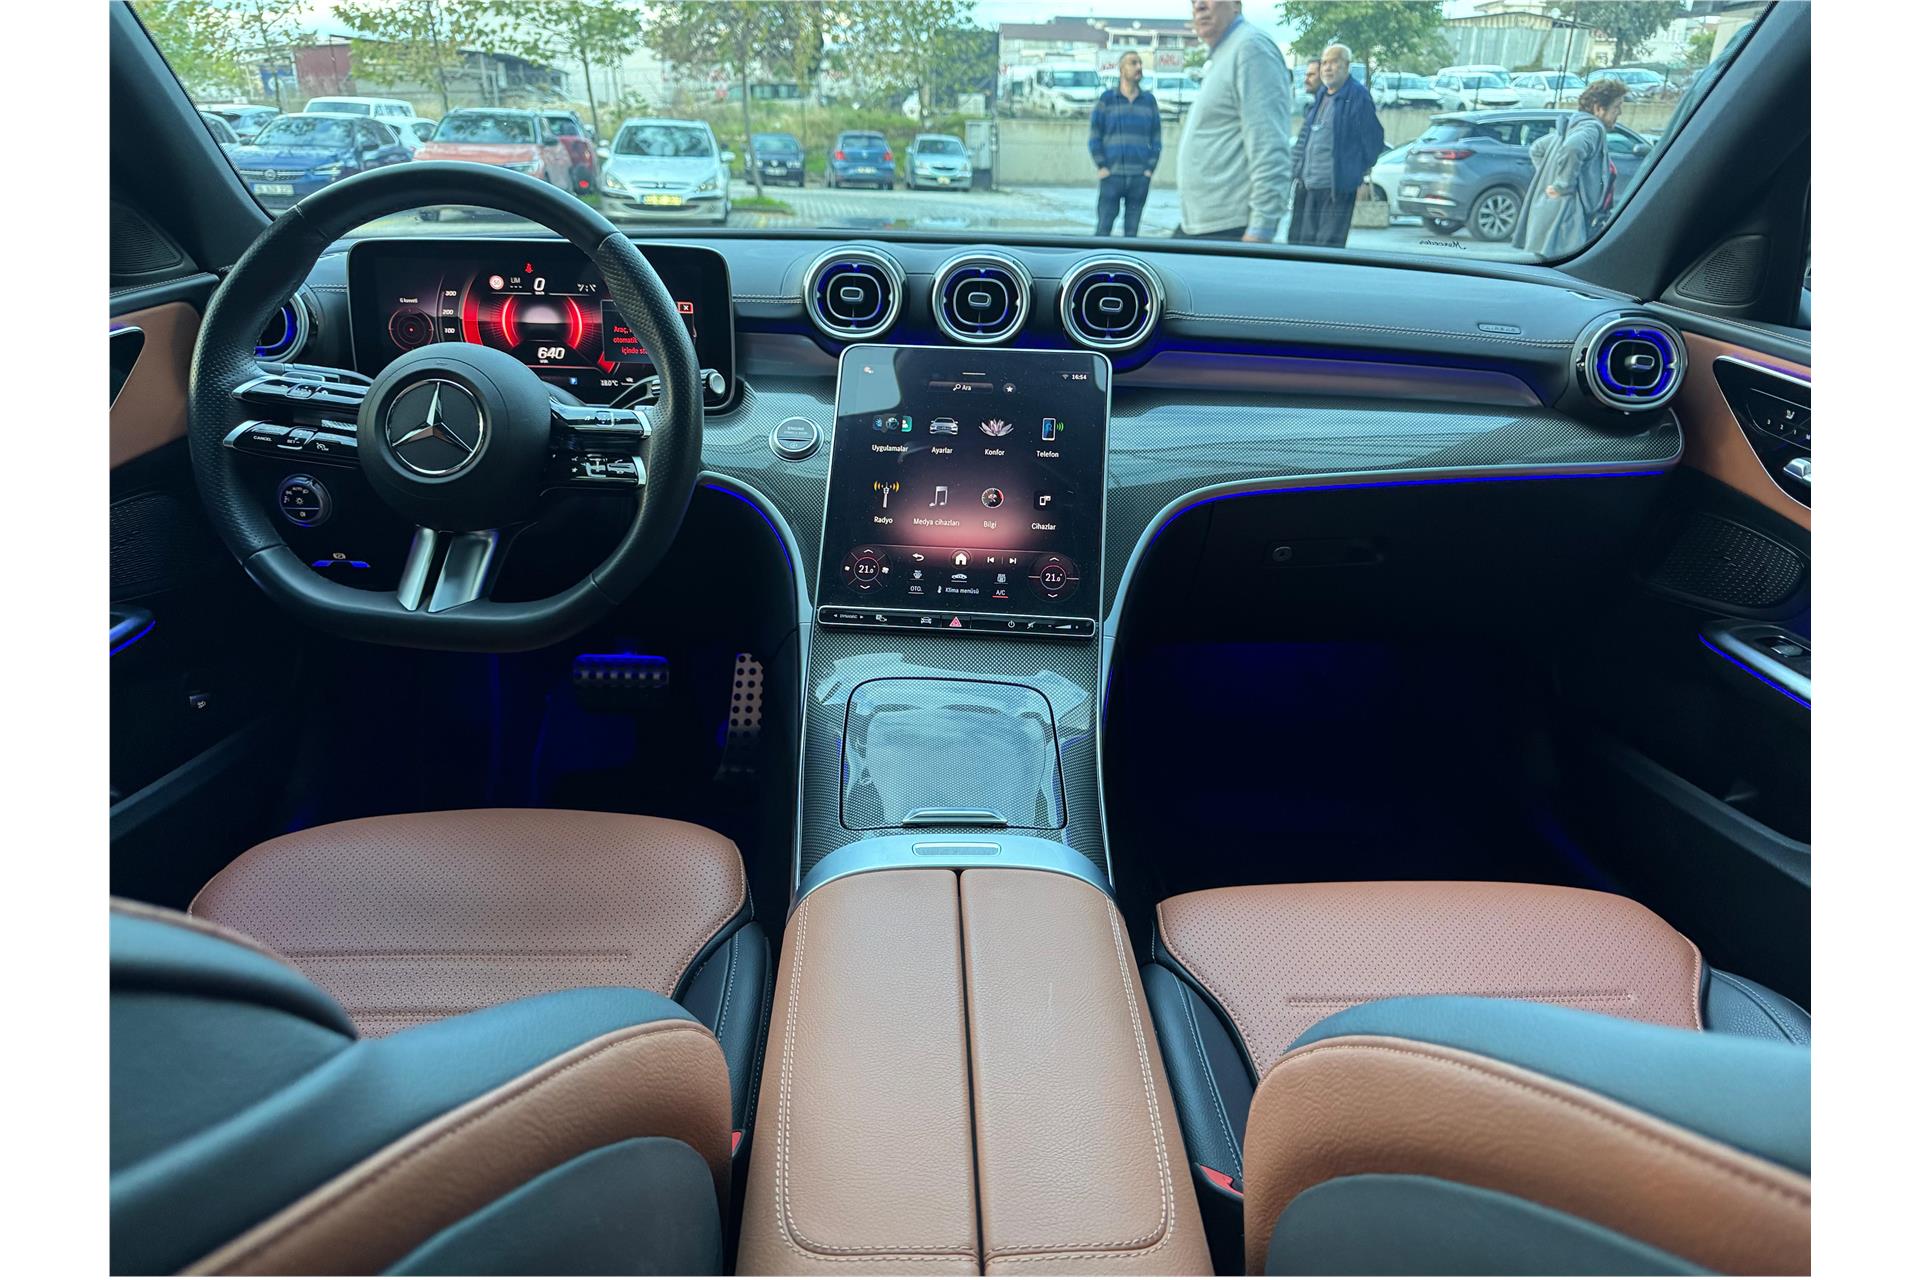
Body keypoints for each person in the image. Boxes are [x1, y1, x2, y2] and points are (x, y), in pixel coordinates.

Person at [1175, 0, 1294, 241]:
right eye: (1193, 1)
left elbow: (1269, 144)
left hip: (1230, 230)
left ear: (1236, 4)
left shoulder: (1252, 49)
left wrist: (1260, 230)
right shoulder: (1225, 53)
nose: (1199, 6)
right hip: (1205, 226)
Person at [1513, 78, 1629, 255]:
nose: (1619, 112)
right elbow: (1573, 147)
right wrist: (1563, 185)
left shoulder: (1572, 126)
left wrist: (1552, 176)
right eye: (1617, 107)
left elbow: (1537, 149)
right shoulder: (1592, 129)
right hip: (1568, 222)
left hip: (1555, 218)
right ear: (1599, 108)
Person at [1286, 43, 1385, 248]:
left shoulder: (1357, 96)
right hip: (1309, 187)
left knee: (1327, 249)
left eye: (1334, 62)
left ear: (1346, 66)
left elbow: (1374, 140)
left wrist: (1354, 173)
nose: (1327, 68)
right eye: (1324, 63)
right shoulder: (1322, 95)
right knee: (1301, 245)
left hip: (1336, 190)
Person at [1089, 50, 1161, 237]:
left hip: (1139, 178)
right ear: (1122, 69)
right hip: (1111, 176)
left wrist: (1149, 170)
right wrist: (1102, 166)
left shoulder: (1149, 101)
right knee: (1103, 229)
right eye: (1133, 63)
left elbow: (1156, 139)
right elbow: (1095, 135)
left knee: (1132, 234)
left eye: (1140, 63)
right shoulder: (1107, 99)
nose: (1139, 67)